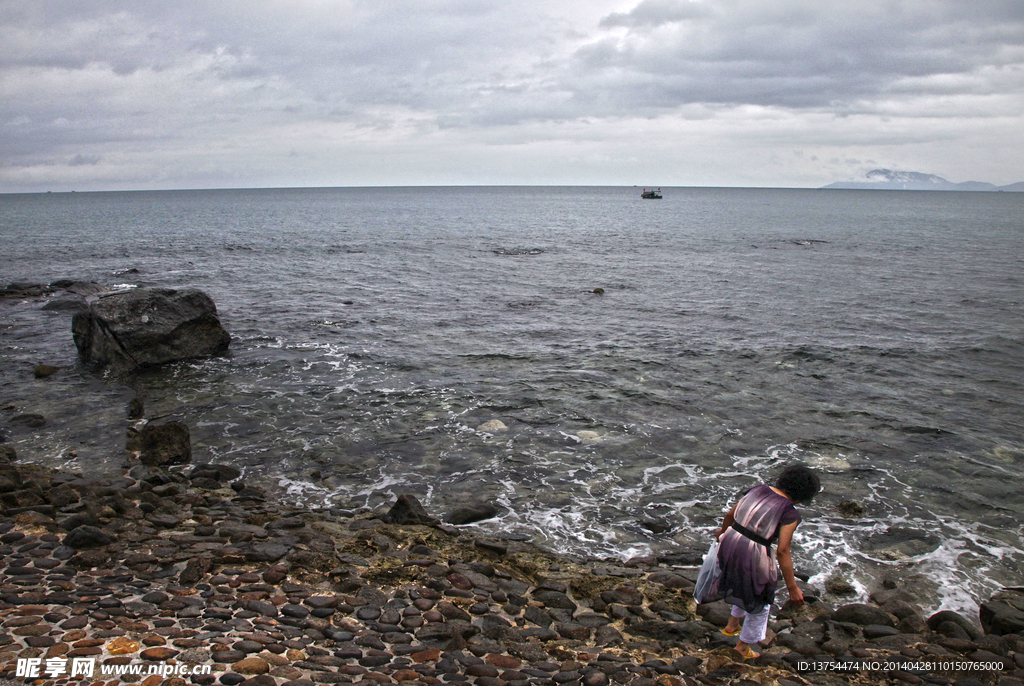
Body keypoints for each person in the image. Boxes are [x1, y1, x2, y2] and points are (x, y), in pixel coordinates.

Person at [713, 464, 821, 659]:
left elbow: (730, 515)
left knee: (741, 583)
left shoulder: (757, 489)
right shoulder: (789, 513)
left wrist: (722, 533)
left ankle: (732, 625)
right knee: (761, 602)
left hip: (731, 541)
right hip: (753, 553)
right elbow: (783, 550)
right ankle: (742, 648)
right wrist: (792, 587)